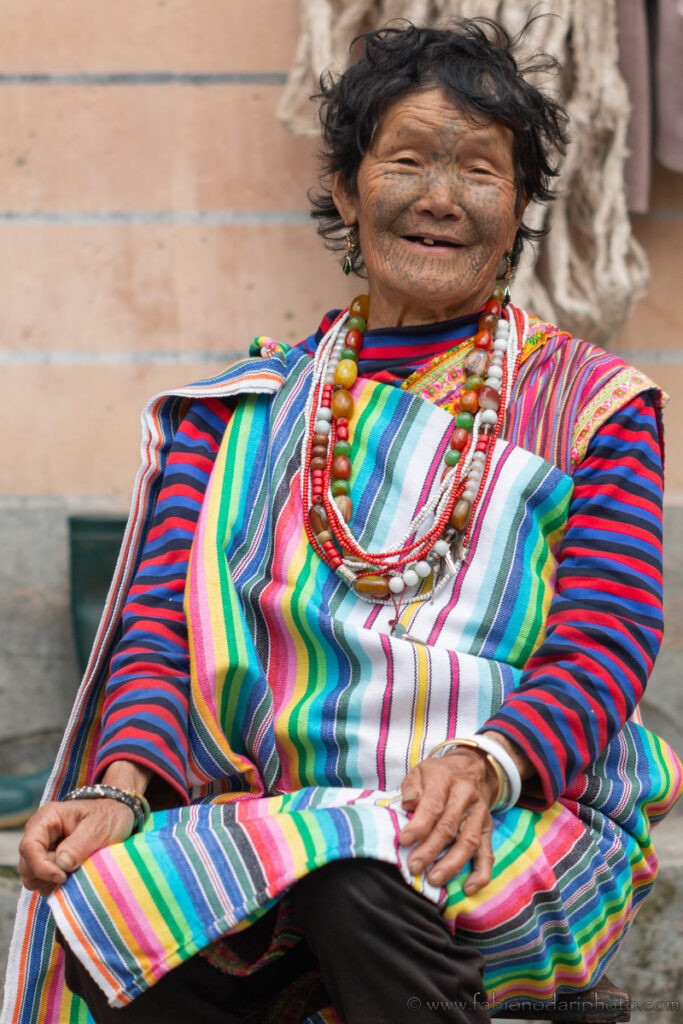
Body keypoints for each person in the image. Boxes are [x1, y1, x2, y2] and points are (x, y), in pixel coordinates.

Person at [6, 19, 682, 1024]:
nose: (441, 198)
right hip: (264, 817)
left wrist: (484, 760)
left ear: (521, 206)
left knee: (362, 872)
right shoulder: (239, 413)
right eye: (407, 159)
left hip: (506, 814)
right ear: (344, 188)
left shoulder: (593, 405)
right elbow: (161, 630)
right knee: (103, 905)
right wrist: (123, 790)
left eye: (480, 171)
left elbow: (607, 636)